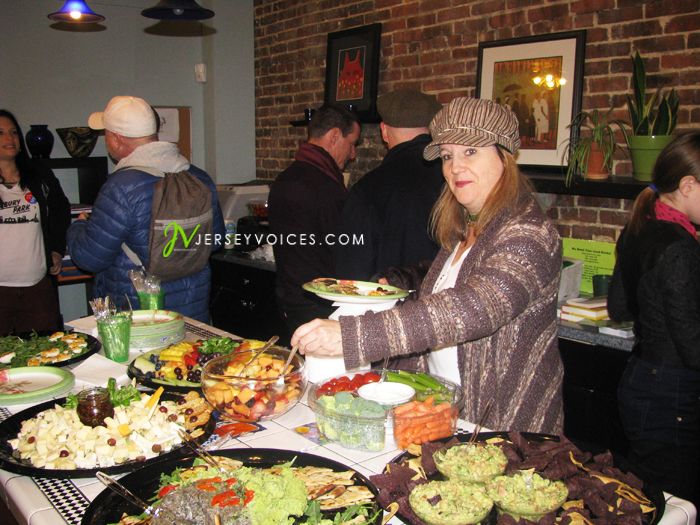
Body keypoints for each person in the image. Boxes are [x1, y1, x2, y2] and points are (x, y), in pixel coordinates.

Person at [293, 98, 564, 434]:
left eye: (470, 152)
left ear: (504, 156)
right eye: (448, 156)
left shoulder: (530, 233)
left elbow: (475, 306)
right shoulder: (469, 227)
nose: (454, 167)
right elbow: (456, 280)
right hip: (447, 416)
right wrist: (402, 277)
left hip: (504, 429)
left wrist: (354, 336)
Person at [67, 96, 225, 322]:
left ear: (116, 139)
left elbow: (90, 259)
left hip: (141, 318)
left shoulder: (120, 188)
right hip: (192, 314)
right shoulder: (199, 177)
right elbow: (216, 240)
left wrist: (79, 225)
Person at [608, 131, 700, 504]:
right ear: (689, 184)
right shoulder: (679, 246)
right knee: (674, 502)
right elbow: (691, 342)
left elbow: (619, 308)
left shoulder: (639, 227)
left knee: (652, 493)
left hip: (642, 380)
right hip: (672, 393)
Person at [268, 103, 361, 333]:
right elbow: (343, 251)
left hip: (289, 297)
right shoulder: (325, 186)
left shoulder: (285, 178)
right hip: (318, 304)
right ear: (335, 135)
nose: (353, 154)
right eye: (351, 144)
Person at [332, 89, 443, 281]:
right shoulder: (456, 178)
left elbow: (351, 273)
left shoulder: (368, 190)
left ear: (383, 131)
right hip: (448, 304)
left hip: (388, 307)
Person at [0, 110, 71, 334]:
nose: (9, 138)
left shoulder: (39, 174)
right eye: (0, 133)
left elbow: (61, 211)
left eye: (13, 132)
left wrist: (57, 251)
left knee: (44, 356)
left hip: (37, 288)